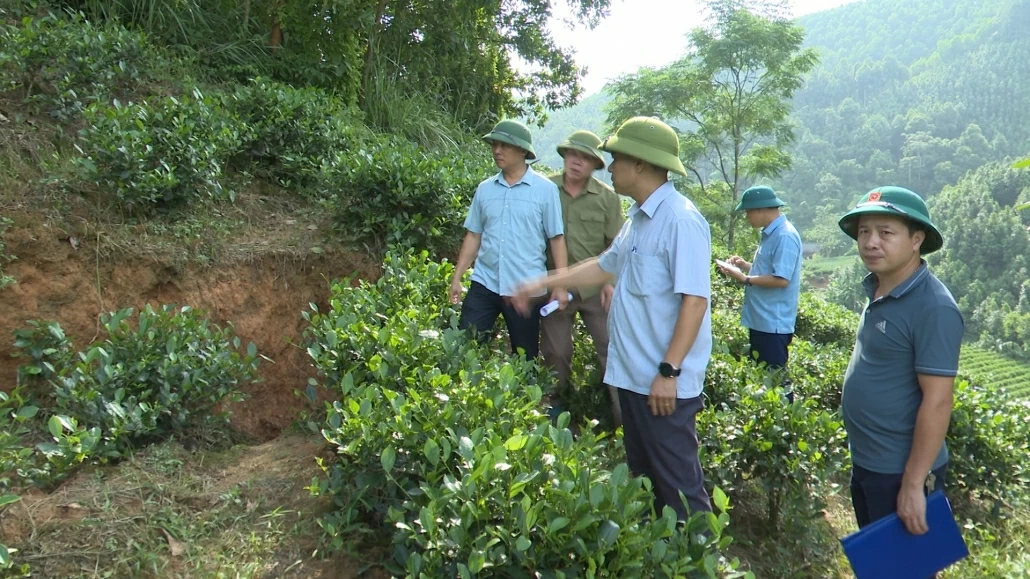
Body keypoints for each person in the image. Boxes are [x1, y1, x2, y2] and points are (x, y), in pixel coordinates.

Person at [513, 116, 713, 521]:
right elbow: (603, 267)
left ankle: (698, 563)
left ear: (640, 164)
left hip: (662, 386)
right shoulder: (639, 219)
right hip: (635, 380)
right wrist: (543, 280)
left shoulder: (680, 219)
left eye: (616, 157)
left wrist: (669, 371)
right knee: (646, 482)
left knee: (679, 492)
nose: (612, 164)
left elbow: (695, 301)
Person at [837, 186, 962, 549]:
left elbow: (938, 402)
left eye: (886, 232)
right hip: (869, 462)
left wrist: (912, 484)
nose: (871, 242)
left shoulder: (933, 307)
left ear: (916, 239)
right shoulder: (879, 288)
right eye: (864, 231)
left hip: (900, 470)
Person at [448, 119, 568, 359]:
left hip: (524, 289)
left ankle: (525, 397)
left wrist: (562, 284)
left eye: (504, 145)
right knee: (464, 350)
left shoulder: (545, 190)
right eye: (494, 144)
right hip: (485, 283)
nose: (497, 150)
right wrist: (457, 277)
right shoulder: (485, 189)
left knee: (524, 358)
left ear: (523, 151)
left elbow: (556, 238)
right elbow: (474, 235)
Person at [540, 130, 625, 426]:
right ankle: (558, 413)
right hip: (556, 290)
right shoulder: (545, 189)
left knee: (611, 350)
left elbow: (616, 246)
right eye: (573, 154)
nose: (577, 162)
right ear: (565, 156)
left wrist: (609, 283)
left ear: (594, 165)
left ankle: (623, 420)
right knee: (556, 352)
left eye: (585, 158)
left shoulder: (607, 198)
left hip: (594, 288)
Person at [716, 185, 803, 402]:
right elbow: (769, 271)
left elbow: (781, 279)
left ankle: (786, 423)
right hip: (761, 320)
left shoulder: (784, 236)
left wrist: (743, 278)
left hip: (772, 322)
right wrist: (744, 265)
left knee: (777, 382)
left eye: (748, 212)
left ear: (760, 209)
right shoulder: (771, 234)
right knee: (765, 380)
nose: (747, 217)